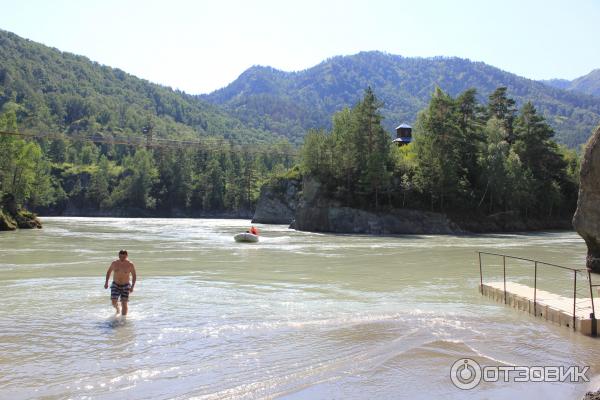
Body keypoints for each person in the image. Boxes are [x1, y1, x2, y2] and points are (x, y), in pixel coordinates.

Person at [104, 249, 137, 316]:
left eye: (124, 257)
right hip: (115, 284)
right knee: (113, 302)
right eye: (120, 257)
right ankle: (118, 309)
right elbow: (108, 272)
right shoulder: (114, 263)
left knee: (124, 303)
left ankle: (123, 320)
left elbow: (134, 276)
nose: (122, 258)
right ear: (118, 256)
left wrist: (132, 287)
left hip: (126, 285)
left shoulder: (130, 264)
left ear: (127, 256)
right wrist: (106, 282)